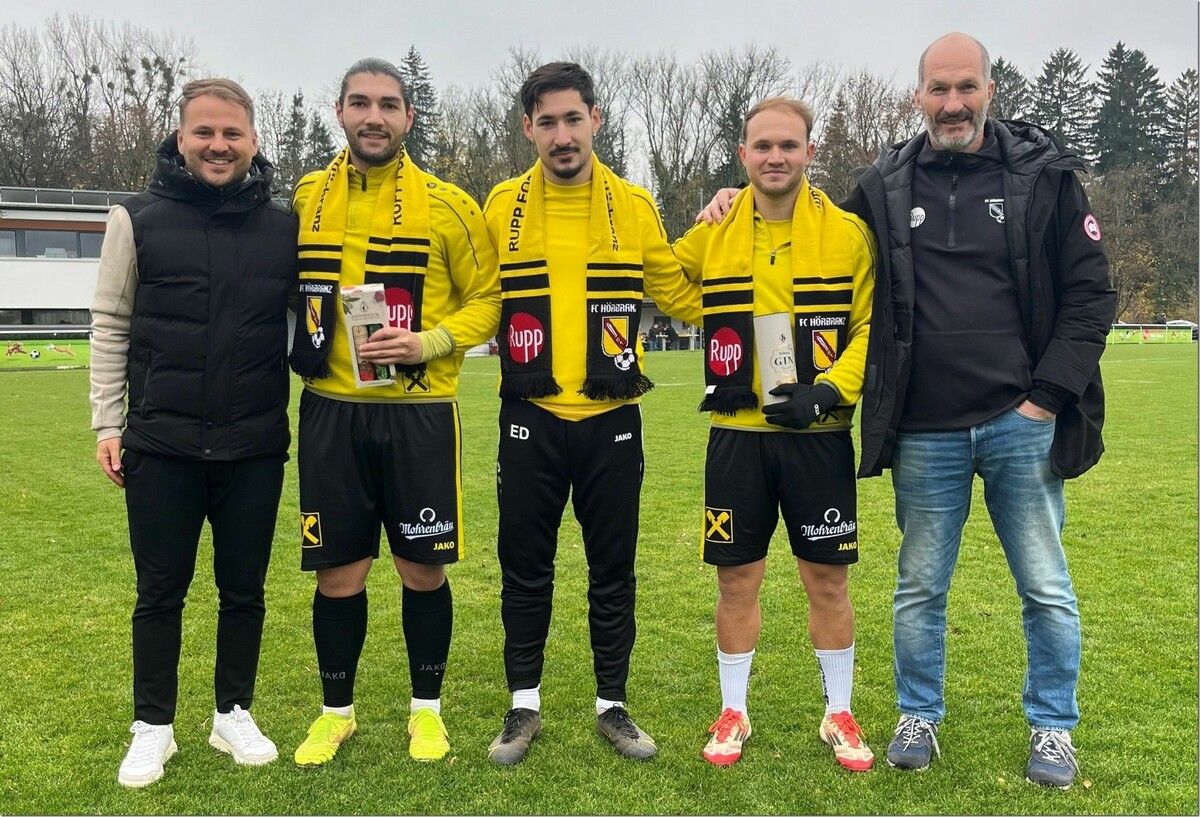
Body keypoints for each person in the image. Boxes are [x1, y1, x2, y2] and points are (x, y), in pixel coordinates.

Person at [700, 32, 1115, 789]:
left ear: (989, 89)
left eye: (966, 87)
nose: (952, 103)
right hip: (925, 429)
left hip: (1021, 424)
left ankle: (1053, 728)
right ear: (917, 96)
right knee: (920, 585)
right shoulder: (885, 184)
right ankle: (917, 713)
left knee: (1045, 585)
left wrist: (1044, 399)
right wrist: (733, 201)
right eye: (938, 89)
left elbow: (1092, 296)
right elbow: (800, 209)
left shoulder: (1046, 176)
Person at [482, 61, 698, 765]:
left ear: (596, 119)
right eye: (547, 121)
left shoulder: (634, 205)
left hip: (611, 418)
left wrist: (734, 220)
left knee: (613, 566)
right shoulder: (500, 205)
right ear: (527, 129)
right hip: (530, 414)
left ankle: (613, 704)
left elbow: (678, 289)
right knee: (525, 566)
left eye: (574, 118)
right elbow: (475, 292)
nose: (562, 134)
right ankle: (524, 705)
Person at [288, 58, 500, 767]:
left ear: (409, 117)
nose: (372, 116)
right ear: (339, 110)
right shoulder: (304, 198)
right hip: (329, 411)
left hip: (419, 414)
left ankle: (427, 713)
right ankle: (335, 713)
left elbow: (488, 299)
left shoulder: (450, 205)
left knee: (421, 569)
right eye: (359, 103)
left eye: (388, 104)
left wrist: (430, 339)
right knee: (337, 574)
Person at [90, 78, 296, 787]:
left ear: (253, 141)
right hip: (162, 445)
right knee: (159, 592)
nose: (218, 145)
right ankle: (153, 726)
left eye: (232, 133)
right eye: (204, 132)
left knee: (245, 591)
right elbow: (110, 322)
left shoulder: (284, 227)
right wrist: (108, 421)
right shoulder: (136, 217)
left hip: (255, 445)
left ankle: (231, 711)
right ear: (180, 138)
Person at [669, 98, 876, 770]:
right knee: (736, 579)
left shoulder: (848, 234)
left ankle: (838, 711)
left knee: (827, 579)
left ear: (810, 151)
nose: (775, 156)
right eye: (762, 146)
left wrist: (828, 392)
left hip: (818, 436)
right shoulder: (716, 230)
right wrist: (704, 213)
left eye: (789, 145)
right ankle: (734, 709)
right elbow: (665, 281)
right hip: (736, 435)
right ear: (743, 154)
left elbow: (872, 331)